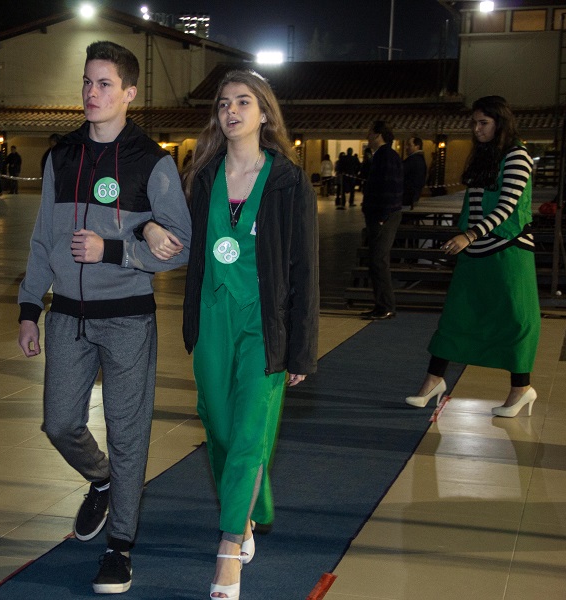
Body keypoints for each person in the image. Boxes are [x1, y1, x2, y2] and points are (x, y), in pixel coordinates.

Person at [16, 40, 191, 595]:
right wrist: (29, 307)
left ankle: (119, 548)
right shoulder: (61, 156)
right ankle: (102, 480)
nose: (92, 93)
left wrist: (113, 249)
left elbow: (181, 246)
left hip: (128, 321)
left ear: (129, 93)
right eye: (87, 82)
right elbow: (43, 239)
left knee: (128, 432)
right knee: (59, 422)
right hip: (67, 317)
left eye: (105, 84)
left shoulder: (153, 162)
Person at [177, 69, 318, 600]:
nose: (231, 111)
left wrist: (301, 347)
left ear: (264, 114)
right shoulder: (203, 176)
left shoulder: (288, 181)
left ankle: (229, 547)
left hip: (265, 325)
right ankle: (250, 509)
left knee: (249, 433)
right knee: (219, 428)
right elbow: (184, 239)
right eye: (223, 103)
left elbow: (305, 268)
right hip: (212, 320)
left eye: (243, 102)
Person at [406, 96, 539, 418]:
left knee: (516, 320)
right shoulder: (486, 155)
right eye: (474, 123)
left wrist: (469, 235)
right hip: (478, 250)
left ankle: (521, 389)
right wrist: (470, 237)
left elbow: (507, 205)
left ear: (500, 123)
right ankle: (432, 382)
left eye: (484, 123)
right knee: (456, 316)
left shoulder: (517, 155)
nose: (477, 129)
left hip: (510, 250)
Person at [360, 121, 403, 320]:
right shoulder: (386, 155)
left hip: (383, 215)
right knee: (377, 260)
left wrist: (382, 216)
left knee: (378, 260)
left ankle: (385, 305)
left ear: (378, 135)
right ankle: (382, 304)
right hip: (383, 214)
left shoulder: (385, 156)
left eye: (370, 133)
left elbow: (388, 186)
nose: (367, 137)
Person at [402, 136, 427, 210]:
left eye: (409, 145)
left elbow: (400, 172)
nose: (406, 147)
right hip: (413, 196)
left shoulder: (413, 160)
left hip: (406, 197)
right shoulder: (420, 159)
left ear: (417, 147)